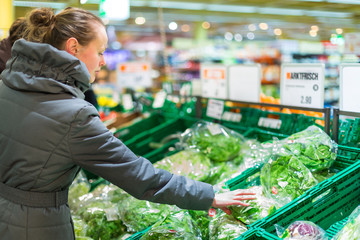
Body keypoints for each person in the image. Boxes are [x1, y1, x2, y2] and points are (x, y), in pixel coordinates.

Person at [0, 7, 256, 240]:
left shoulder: (7, 86)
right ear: (73, 47)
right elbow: (142, 177)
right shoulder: (75, 115)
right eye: (100, 52)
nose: (103, 62)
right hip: (37, 226)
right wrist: (209, 196)